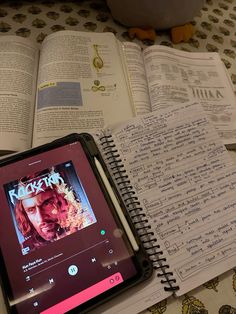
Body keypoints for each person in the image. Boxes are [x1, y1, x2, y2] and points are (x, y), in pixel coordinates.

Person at [13, 168, 95, 254]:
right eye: (31, 210)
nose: (41, 219)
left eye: (47, 203)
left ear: (63, 199)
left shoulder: (87, 226)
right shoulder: (26, 250)